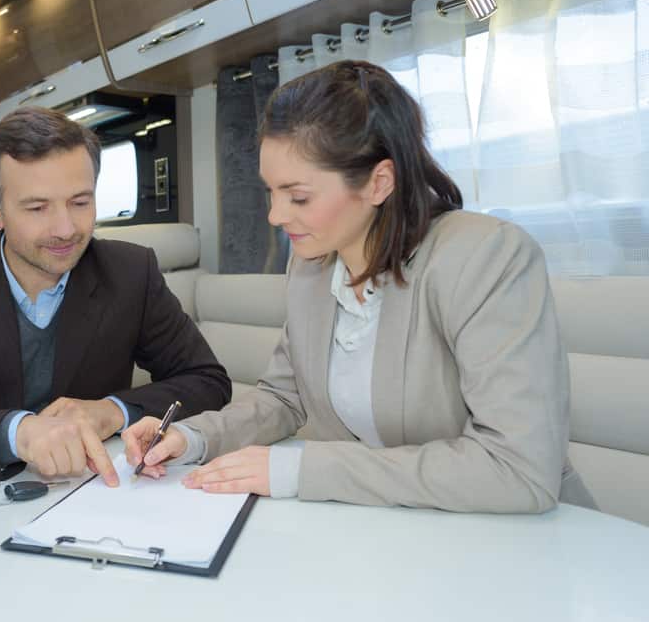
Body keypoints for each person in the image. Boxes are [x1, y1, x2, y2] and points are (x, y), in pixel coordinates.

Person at [123, 60, 594, 513]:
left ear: (378, 183)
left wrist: (301, 470)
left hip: (517, 540)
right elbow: (284, 399)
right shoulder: (309, 269)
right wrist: (193, 438)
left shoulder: (486, 257)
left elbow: (516, 467)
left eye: (299, 196)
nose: (275, 215)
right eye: (271, 192)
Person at [0, 106, 231, 485]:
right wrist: (17, 432)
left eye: (80, 202)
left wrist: (112, 411)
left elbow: (207, 380)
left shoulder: (130, 272)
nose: (66, 229)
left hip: (92, 492)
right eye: (37, 208)